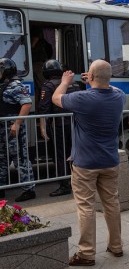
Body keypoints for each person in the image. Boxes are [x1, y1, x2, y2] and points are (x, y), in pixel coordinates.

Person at [52, 59, 126, 266]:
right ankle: (116, 245)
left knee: (86, 206)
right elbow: (107, 86)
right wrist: (95, 80)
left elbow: (56, 98)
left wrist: (65, 81)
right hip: (110, 161)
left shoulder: (82, 98)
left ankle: (86, 253)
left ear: (91, 77)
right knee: (112, 203)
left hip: (85, 163)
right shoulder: (119, 97)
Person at [38, 59, 82, 197]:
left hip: (59, 125)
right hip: (75, 123)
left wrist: (42, 127)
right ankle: (78, 182)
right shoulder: (74, 83)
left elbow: (44, 109)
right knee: (73, 153)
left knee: (60, 155)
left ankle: (64, 185)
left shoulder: (48, 86)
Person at [0, 58, 36, 202]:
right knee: (2, 159)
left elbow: (26, 104)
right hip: (3, 130)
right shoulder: (3, 85)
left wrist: (17, 123)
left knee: (20, 158)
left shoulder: (15, 86)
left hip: (14, 130)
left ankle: (29, 189)